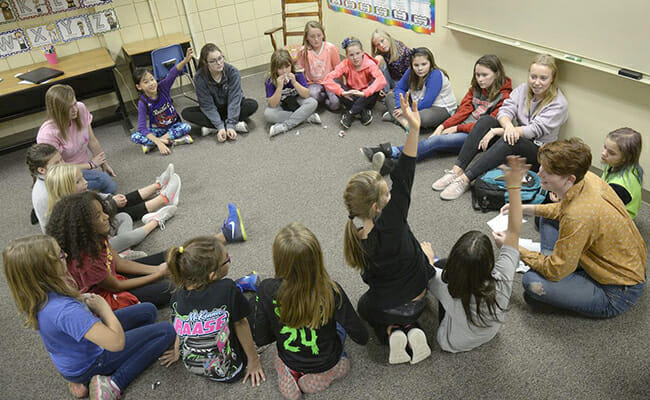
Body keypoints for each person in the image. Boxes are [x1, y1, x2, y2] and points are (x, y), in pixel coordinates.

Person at [2, 235, 176, 400]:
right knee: (166, 331)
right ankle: (113, 383)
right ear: (46, 269)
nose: (66, 255)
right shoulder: (66, 311)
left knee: (148, 311)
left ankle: (81, 380)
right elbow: (116, 343)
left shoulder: (38, 296)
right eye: (60, 255)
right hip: (92, 361)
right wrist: (104, 309)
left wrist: (82, 301)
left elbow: (65, 322)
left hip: (73, 359)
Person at [501, 138, 646, 318]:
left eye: (548, 172)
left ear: (569, 179)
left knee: (532, 282)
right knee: (547, 218)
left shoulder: (578, 216)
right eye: (541, 167)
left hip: (616, 293)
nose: (539, 174)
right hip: (609, 261)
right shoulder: (588, 177)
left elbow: (555, 272)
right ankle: (558, 260)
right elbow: (563, 209)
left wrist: (513, 247)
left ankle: (556, 261)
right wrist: (525, 208)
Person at [343, 93, 434, 364]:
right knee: (422, 255)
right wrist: (414, 129)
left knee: (364, 305)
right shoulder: (393, 222)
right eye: (387, 195)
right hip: (418, 296)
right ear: (376, 208)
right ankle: (413, 327)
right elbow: (404, 175)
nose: (392, 197)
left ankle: (392, 331)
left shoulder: (356, 240)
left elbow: (371, 281)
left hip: (385, 306)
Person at [251, 223, 368, 399]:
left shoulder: (266, 289)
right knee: (341, 340)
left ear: (278, 259)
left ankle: (288, 371)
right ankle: (325, 374)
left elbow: (261, 338)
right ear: (316, 258)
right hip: (325, 360)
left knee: (279, 352)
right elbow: (360, 336)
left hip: (289, 353)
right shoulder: (330, 290)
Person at [432, 54, 569, 201]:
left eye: (543, 78)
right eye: (533, 76)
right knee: (486, 121)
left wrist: (499, 131)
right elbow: (505, 110)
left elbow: (532, 131)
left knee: (511, 139)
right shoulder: (523, 89)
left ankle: (465, 180)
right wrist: (508, 125)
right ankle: (456, 171)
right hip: (516, 137)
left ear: (552, 79)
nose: (536, 82)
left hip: (539, 152)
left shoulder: (558, 104)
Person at [429, 156, 526, 352]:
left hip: (452, 343)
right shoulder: (503, 278)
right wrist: (514, 187)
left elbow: (425, 271)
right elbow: (514, 231)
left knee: (437, 267)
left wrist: (428, 258)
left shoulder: (445, 285)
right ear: (490, 262)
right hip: (490, 333)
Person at [363, 54, 512, 174]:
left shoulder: (505, 96)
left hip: (477, 136)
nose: (480, 79)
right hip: (462, 126)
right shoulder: (476, 88)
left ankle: (392, 150)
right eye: (477, 74)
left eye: (484, 75)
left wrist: (456, 129)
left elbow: (487, 124)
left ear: (496, 74)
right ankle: (391, 165)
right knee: (433, 145)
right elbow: (462, 112)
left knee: (434, 142)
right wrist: (443, 126)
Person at [159, 235, 265, 386]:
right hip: (232, 370)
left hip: (196, 368)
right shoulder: (227, 288)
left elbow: (179, 325)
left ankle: (241, 286)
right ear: (212, 275)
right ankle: (242, 285)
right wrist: (254, 361)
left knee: (222, 305)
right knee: (257, 302)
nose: (229, 259)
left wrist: (177, 352)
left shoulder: (177, 297)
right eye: (227, 259)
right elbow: (241, 324)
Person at [46, 191, 174, 309]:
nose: (106, 216)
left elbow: (119, 263)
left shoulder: (95, 236)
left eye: (103, 211)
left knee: (172, 255)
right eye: (98, 216)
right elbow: (116, 286)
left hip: (112, 275)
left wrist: (156, 269)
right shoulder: (86, 261)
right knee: (172, 289)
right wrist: (158, 274)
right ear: (82, 226)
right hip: (105, 295)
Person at [44, 164, 178, 253]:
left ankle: (125, 250)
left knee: (124, 217)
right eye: (79, 181)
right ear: (66, 188)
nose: (85, 182)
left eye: (83, 178)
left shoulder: (80, 196)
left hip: (103, 234)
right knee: (124, 237)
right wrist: (112, 204)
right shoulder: (71, 212)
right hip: (96, 248)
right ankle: (155, 220)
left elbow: (101, 199)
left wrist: (111, 201)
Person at [37, 84, 117, 194]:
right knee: (106, 183)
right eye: (68, 108)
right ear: (58, 110)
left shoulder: (80, 108)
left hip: (81, 170)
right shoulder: (47, 134)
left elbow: (92, 140)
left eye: (74, 103)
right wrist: (91, 165)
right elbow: (57, 168)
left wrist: (104, 164)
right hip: (63, 175)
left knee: (109, 185)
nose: (75, 109)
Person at [181, 43, 258, 142]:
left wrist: (230, 124)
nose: (219, 63)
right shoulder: (200, 78)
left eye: (220, 58)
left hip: (230, 106)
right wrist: (220, 126)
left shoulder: (233, 72)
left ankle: (216, 127)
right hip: (214, 108)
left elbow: (234, 99)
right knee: (186, 113)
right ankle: (229, 125)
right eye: (213, 61)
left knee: (252, 104)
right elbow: (207, 105)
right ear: (205, 63)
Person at [130, 47, 195, 155]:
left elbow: (173, 73)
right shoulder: (143, 102)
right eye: (146, 82)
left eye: (152, 79)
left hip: (174, 126)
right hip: (159, 129)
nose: (151, 83)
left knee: (186, 127)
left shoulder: (162, 87)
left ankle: (153, 143)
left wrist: (185, 61)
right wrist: (159, 143)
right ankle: (173, 141)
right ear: (139, 87)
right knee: (135, 136)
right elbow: (142, 128)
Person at [322, 37, 386, 129]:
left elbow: (382, 80)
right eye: (351, 55)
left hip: (367, 97)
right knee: (335, 82)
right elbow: (327, 80)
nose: (355, 58)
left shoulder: (370, 64)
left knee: (376, 83)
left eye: (357, 53)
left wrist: (365, 93)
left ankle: (350, 113)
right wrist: (341, 92)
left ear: (362, 52)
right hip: (351, 95)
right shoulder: (345, 64)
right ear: (347, 55)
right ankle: (362, 111)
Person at [264, 49, 321, 137]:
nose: (284, 71)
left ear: (291, 64)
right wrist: (279, 87)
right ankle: (306, 117)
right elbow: (273, 104)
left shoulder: (298, 73)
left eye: (287, 66)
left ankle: (285, 126)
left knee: (313, 102)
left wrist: (294, 82)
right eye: (280, 68)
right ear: (274, 69)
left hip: (298, 102)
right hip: (282, 105)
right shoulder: (270, 80)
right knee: (268, 114)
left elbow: (306, 94)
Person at [295, 20, 341, 111]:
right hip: (313, 83)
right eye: (312, 36)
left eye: (319, 35)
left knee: (335, 105)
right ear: (307, 37)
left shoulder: (331, 48)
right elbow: (300, 72)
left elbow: (338, 69)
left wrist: (340, 87)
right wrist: (303, 89)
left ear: (323, 35)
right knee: (313, 95)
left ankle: (326, 97)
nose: (316, 39)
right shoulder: (303, 52)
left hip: (329, 81)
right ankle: (323, 95)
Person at [600, 127, 643, 219]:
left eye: (611, 153)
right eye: (604, 147)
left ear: (625, 158)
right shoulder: (622, 164)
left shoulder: (620, 186)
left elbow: (604, 209)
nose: (603, 153)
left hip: (620, 219)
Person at [26, 143, 63, 232]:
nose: (63, 164)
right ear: (42, 170)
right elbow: (52, 226)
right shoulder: (43, 196)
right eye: (56, 163)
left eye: (61, 159)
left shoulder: (58, 176)